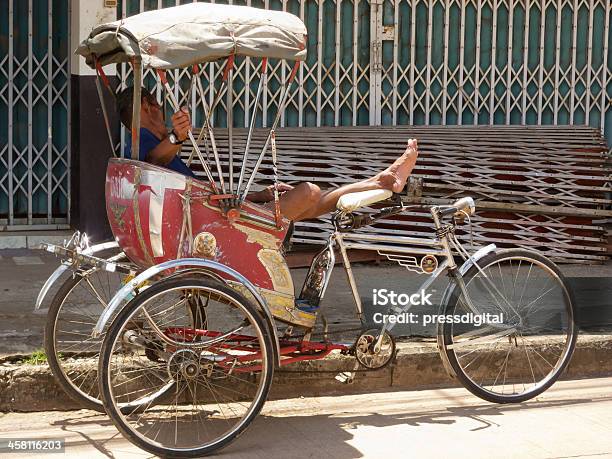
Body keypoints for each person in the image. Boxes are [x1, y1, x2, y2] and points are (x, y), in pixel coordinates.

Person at [115, 86, 419, 222]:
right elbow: (153, 163)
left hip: (206, 210)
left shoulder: (142, 141)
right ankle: (382, 179)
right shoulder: (138, 141)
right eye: (156, 104)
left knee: (309, 202)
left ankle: (382, 180)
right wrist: (175, 136)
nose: (160, 109)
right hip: (206, 222)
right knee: (308, 193)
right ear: (147, 106)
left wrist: (258, 196)